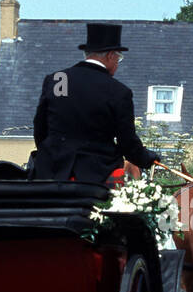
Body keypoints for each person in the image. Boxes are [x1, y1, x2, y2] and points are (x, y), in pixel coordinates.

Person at [29, 22, 160, 184]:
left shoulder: (58, 80)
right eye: (118, 58)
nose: (118, 63)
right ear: (111, 55)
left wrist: (51, 153)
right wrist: (148, 158)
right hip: (96, 176)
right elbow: (127, 143)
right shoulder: (118, 91)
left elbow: (40, 129)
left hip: (51, 171)